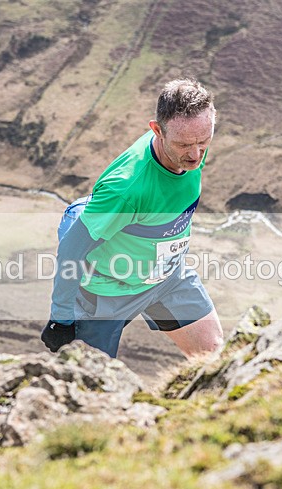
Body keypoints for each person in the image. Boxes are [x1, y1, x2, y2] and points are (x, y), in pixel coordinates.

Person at [41, 78, 224, 359]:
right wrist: (61, 319)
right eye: (184, 144)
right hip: (107, 291)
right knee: (91, 382)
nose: (196, 154)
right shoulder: (125, 188)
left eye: (204, 141)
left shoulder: (192, 144)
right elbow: (71, 251)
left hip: (166, 277)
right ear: (157, 130)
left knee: (212, 355)